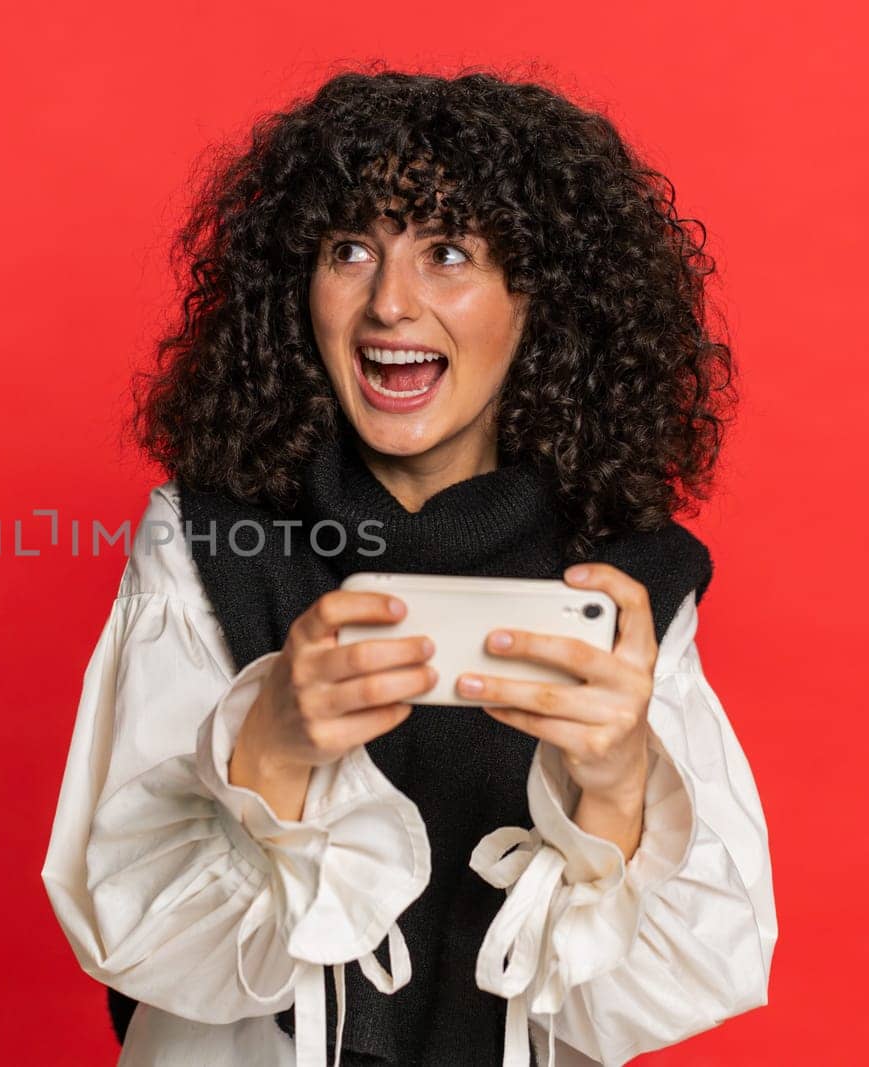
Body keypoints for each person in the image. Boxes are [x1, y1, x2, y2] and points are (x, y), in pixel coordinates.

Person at [41, 67, 777, 1067]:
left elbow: (670, 986)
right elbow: (136, 933)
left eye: (447, 253)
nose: (389, 301)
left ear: (541, 302)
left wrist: (614, 786)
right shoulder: (204, 538)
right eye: (350, 249)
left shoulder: (624, 583)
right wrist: (270, 746)